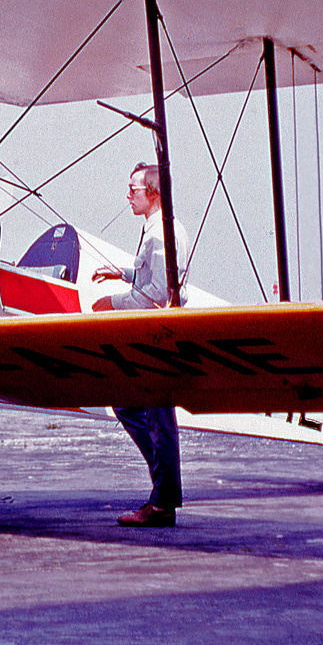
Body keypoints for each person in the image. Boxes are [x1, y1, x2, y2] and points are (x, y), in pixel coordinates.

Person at [91, 162, 187, 527]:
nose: (127, 196)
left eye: (133, 189)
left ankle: (162, 502)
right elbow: (154, 276)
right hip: (153, 334)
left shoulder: (160, 235)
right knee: (132, 406)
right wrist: (124, 273)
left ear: (153, 193)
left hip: (154, 336)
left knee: (155, 417)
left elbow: (157, 294)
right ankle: (163, 491)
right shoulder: (159, 229)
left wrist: (111, 303)